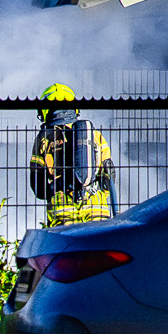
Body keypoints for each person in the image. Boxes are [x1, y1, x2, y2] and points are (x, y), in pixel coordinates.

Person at [30, 83, 114, 226]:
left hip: (62, 211)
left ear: (45, 111)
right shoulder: (95, 135)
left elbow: (38, 187)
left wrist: (55, 193)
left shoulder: (43, 139)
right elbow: (109, 175)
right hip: (97, 209)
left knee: (67, 242)